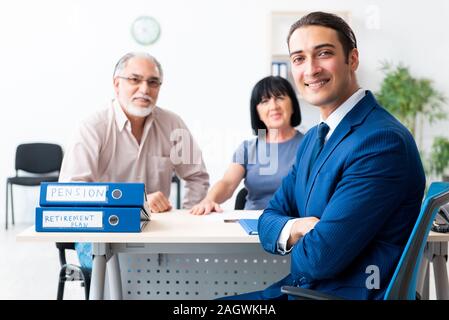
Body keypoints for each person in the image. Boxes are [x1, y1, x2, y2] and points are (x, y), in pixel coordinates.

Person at [231, 12, 426, 300]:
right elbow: (268, 218)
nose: (310, 69)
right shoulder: (313, 138)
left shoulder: (381, 142)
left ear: (353, 59)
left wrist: (293, 234)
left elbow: (318, 258)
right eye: (298, 58)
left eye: (323, 53)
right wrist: (297, 226)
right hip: (303, 291)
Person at [59, 52, 210, 269]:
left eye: (153, 82)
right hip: (102, 234)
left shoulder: (173, 123)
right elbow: (71, 191)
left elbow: (197, 177)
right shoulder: (92, 127)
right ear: (116, 84)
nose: (145, 89)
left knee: (190, 270)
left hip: (157, 232)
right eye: (135, 79)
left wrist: (187, 217)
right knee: (124, 274)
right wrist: (134, 204)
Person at [189, 76, 303, 215]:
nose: (273, 106)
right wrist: (210, 199)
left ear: (292, 105)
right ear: (258, 113)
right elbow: (228, 183)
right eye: (264, 101)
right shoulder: (248, 148)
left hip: (294, 225)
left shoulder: (310, 144)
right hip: (253, 226)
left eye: (279, 97)